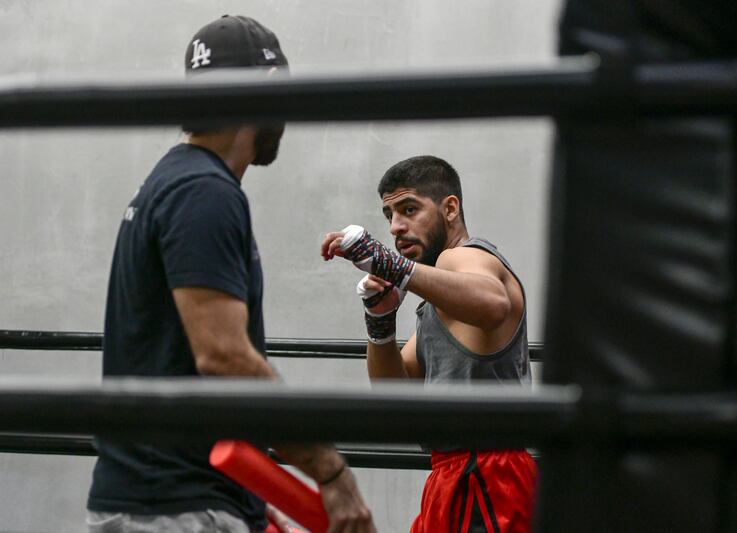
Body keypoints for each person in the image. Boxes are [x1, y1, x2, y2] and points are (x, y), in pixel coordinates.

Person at [87, 15, 375, 533]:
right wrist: (332, 473)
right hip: (175, 509)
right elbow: (223, 356)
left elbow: (185, 365)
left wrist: (251, 497)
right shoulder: (204, 192)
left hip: (178, 501)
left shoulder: (177, 182)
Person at [321, 155, 538, 532]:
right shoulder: (438, 302)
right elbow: (394, 396)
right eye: (389, 214)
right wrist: (380, 320)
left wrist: (390, 265)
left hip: (488, 476)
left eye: (409, 209)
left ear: (449, 208)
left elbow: (493, 304)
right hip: (452, 474)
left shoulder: (466, 257)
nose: (396, 227)